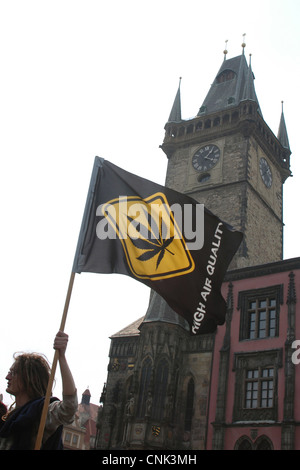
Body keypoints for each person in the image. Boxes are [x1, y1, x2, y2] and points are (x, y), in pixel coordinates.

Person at [0, 331, 77, 450]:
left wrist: (61, 357)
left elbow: (69, 407)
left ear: (29, 379)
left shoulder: (42, 413)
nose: (7, 377)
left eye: (13, 373)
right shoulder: (10, 417)